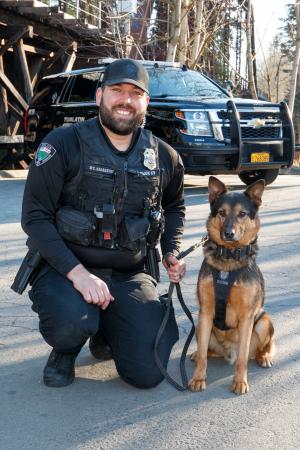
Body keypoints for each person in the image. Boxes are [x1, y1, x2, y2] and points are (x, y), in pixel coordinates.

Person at [20, 59, 186, 389]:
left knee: (148, 374)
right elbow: (35, 217)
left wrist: (171, 251)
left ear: (146, 103)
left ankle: (109, 330)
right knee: (71, 321)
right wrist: (79, 275)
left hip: (130, 274)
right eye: (116, 90)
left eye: (135, 93)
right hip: (65, 271)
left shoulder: (164, 156)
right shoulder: (63, 143)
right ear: (99, 97)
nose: (125, 100)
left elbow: (174, 207)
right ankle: (66, 348)